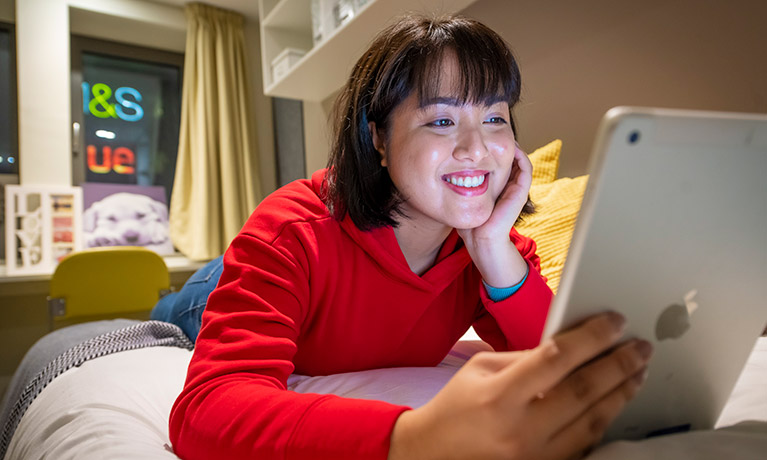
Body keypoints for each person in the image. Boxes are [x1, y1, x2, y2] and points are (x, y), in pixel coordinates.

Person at [167, 14, 653, 460]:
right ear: (379, 138)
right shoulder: (293, 232)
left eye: (495, 119)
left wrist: (489, 248)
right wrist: (410, 438)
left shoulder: (495, 245)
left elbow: (554, 355)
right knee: (177, 309)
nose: (477, 149)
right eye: (441, 121)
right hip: (205, 293)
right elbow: (205, 408)